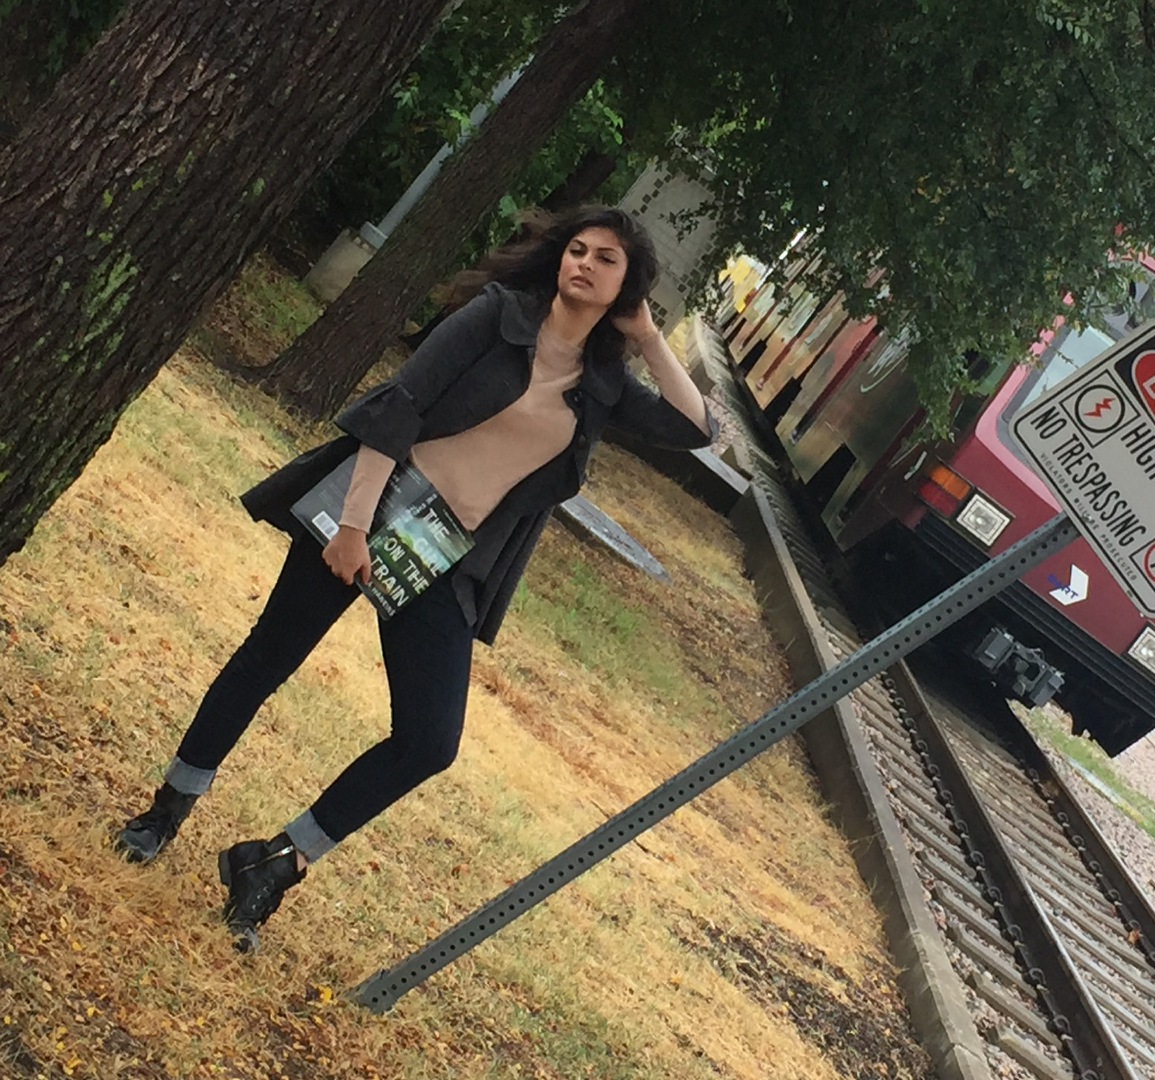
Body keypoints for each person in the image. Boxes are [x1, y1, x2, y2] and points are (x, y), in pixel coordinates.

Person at [115, 206, 717, 951]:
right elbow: (400, 405)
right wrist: (352, 527)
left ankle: (273, 863)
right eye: (577, 249)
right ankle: (167, 809)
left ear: (628, 286)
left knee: (430, 740)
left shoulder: (602, 384)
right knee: (267, 657)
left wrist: (649, 338)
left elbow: (697, 430)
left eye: (606, 259)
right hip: (375, 509)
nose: (584, 264)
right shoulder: (498, 316)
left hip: (446, 556)